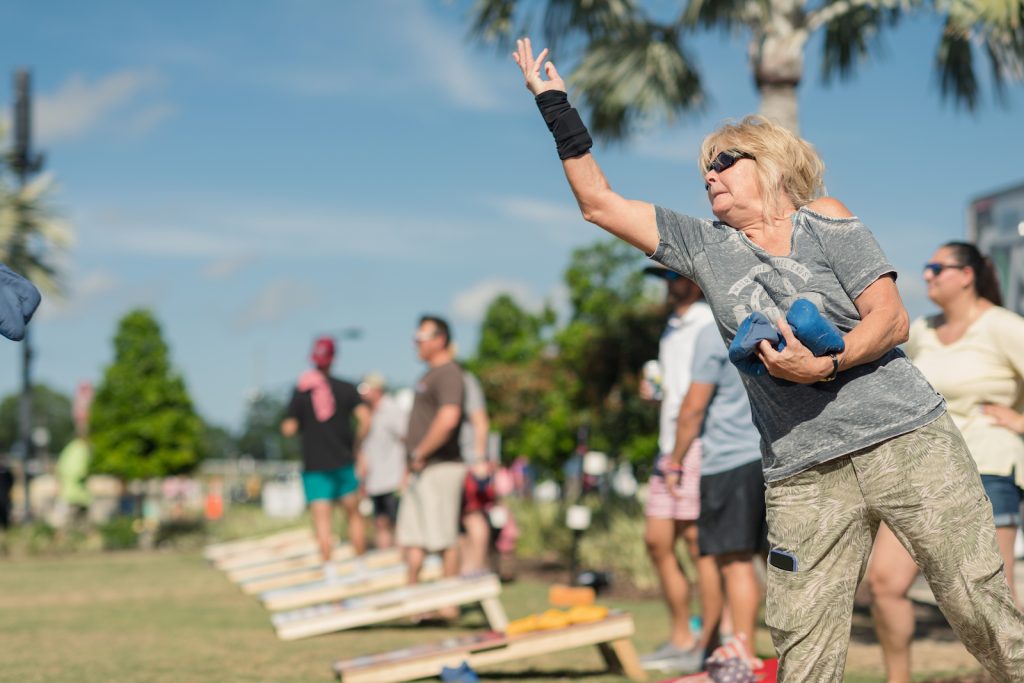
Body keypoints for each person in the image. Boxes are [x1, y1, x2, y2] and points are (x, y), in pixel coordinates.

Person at [511, 38, 1024, 681]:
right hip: (801, 473)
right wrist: (553, 102)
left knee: (983, 612)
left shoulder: (825, 220)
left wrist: (826, 367)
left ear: (774, 164)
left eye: (724, 161)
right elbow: (600, 203)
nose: (709, 176)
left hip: (906, 441)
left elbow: (889, 320)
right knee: (802, 647)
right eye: (704, 169)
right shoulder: (704, 246)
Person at [868, 241, 1024, 682]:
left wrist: (1018, 418)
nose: (928, 275)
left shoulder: (1004, 327)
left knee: (993, 598)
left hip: (989, 466)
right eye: (927, 267)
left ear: (967, 275)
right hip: (923, 471)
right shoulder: (922, 331)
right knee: (884, 583)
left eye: (938, 267)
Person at [666, 322, 767, 667]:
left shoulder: (712, 332)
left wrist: (675, 463)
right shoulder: (762, 322)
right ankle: (745, 648)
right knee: (752, 562)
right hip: (763, 455)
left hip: (728, 461)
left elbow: (693, 408)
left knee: (735, 564)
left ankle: (744, 654)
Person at [638, 264, 716, 673]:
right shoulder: (672, 326)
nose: (667, 286)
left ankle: (706, 644)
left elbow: (700, 397)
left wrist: (680, 454)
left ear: (692, 281)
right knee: (657, 541)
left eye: (672, 278)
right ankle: (681, 635)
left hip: (695, 445)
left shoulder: (706, 321)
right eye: (663, 280)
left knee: (695, 545)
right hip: (667, 447)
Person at [281, 336, 370, 579]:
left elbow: (288, 428)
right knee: (354, 515)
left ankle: (330, 570)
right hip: (343, 460)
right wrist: (357, 445)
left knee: (322, 521)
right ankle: (360, 565)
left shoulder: (301, 391)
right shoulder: (346, 388)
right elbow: (365, 419)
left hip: (315, 465)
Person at [396, 315, 466, 618]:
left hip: (440, 466)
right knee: (414, 537)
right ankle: (414, 604)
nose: (416, 343)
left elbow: (448, 418)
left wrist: (422, 451)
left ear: (440, 339)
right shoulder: (429, 376)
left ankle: (447, 604)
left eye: (421, 336)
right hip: (421, 468)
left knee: (443, 537)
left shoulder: (449, 373)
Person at [358, 373, 409, 550]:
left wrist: (405, 472)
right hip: (375, 479)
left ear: (377, 390)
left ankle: (402, 560)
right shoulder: (367, 415)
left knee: (399, 523)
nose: (363, 394)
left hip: (393, 477)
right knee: (380, 522)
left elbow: (406, 440)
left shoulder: (392, 410)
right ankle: (386, 559)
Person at [459, 369, 495, 575]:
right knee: (462, 518)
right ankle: (468, 566)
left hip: (471, 461)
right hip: (460, 461)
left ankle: (477, 566)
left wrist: (479, 458)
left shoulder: (466, 380)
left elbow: (480, 420)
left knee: (473, 515)